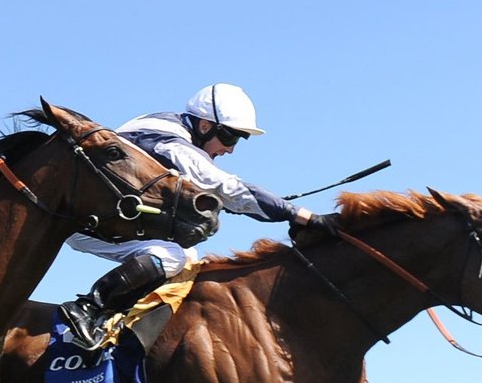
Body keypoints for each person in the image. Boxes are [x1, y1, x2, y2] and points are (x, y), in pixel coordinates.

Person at [58, 83, 338, 349]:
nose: (230, 149)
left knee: (186, 257)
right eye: (228, 137)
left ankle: (120, 320)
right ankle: (87, 310)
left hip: (105, 215)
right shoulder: (174, 145)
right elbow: (228, 188)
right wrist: (302, 216)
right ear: (204, 126)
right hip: (87, 221)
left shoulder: (166, 125)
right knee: (174, 256)